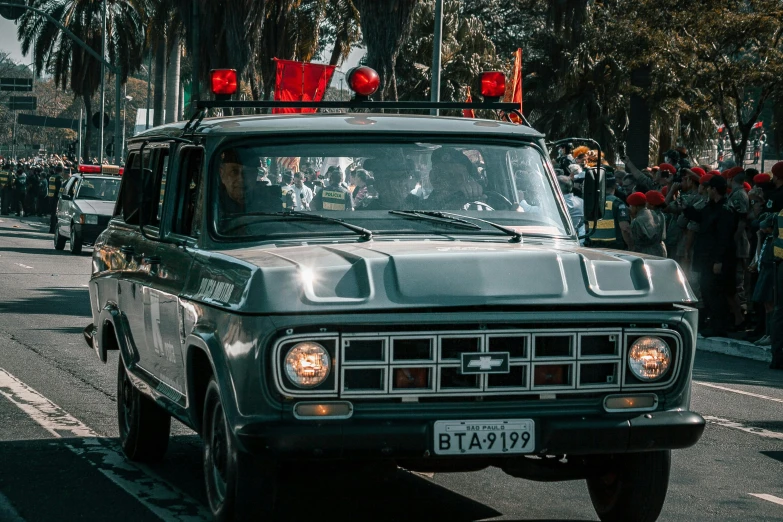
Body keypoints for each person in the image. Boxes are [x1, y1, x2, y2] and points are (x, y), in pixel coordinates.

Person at [684, 175, 736, 337]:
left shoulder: (725, 210)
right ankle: (712, 323)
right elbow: (701, 218)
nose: (707, 191)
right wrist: (686, 208)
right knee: (707, 290)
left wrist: (718, 260)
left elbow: (724, 238)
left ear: (714, 190)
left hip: (716, 259)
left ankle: (719, 327)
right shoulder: (711, 207)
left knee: (715, 292)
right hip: (705, 257)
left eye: (709, 188)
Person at [589, 176, 631, 249]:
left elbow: (586, 227)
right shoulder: (617, 203)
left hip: (593, 246)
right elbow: (624, 228)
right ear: (614, 186)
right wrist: (631, 245)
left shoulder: (592, 202)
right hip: (613, 247)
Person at [627, 191, 666, 257]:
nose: (629, 208)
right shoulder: (655, 214)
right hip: (659, 250)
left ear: (636, 207)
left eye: (631, 206)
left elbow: (634, 242)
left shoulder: (636, 222)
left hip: (644, 253)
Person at [557, 175, 585, 240]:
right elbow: (581, 222)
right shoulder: (581, 202)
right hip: (573, 238)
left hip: (556, 237)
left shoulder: (555, 203)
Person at [218, 149, 246, 214]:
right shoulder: (213, 206)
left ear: (256, 175)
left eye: (247, 172)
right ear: (222, 174)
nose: (241, 179)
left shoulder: (266, 202)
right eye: (234, 172)